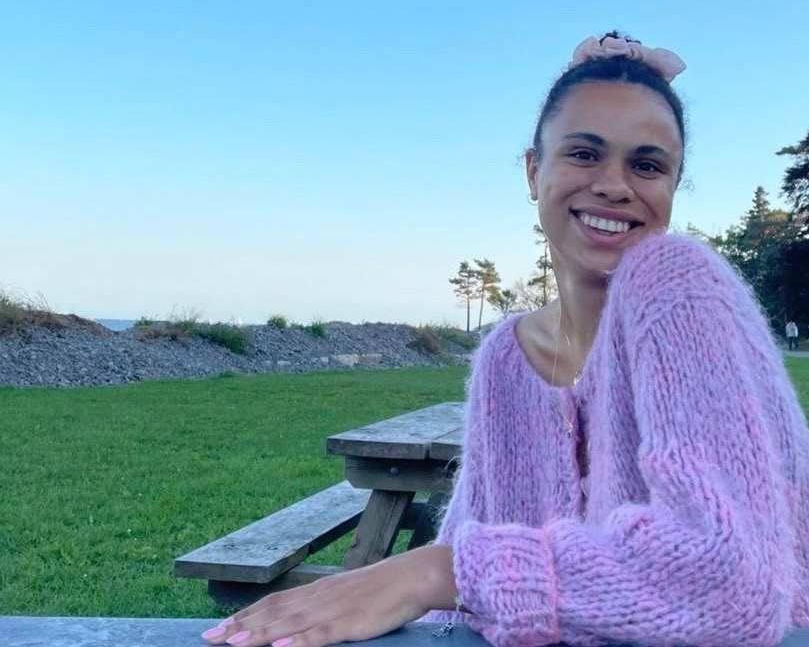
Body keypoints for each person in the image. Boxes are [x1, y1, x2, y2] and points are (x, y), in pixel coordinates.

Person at [203, 32, 809, 647]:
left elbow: (731, 586)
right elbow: (467, 583)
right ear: (533, 169)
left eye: (647, 165)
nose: (614, 185)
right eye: (583, 153)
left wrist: (434, 572)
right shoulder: (506, 357)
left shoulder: (680, 287)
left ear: (672, 188)